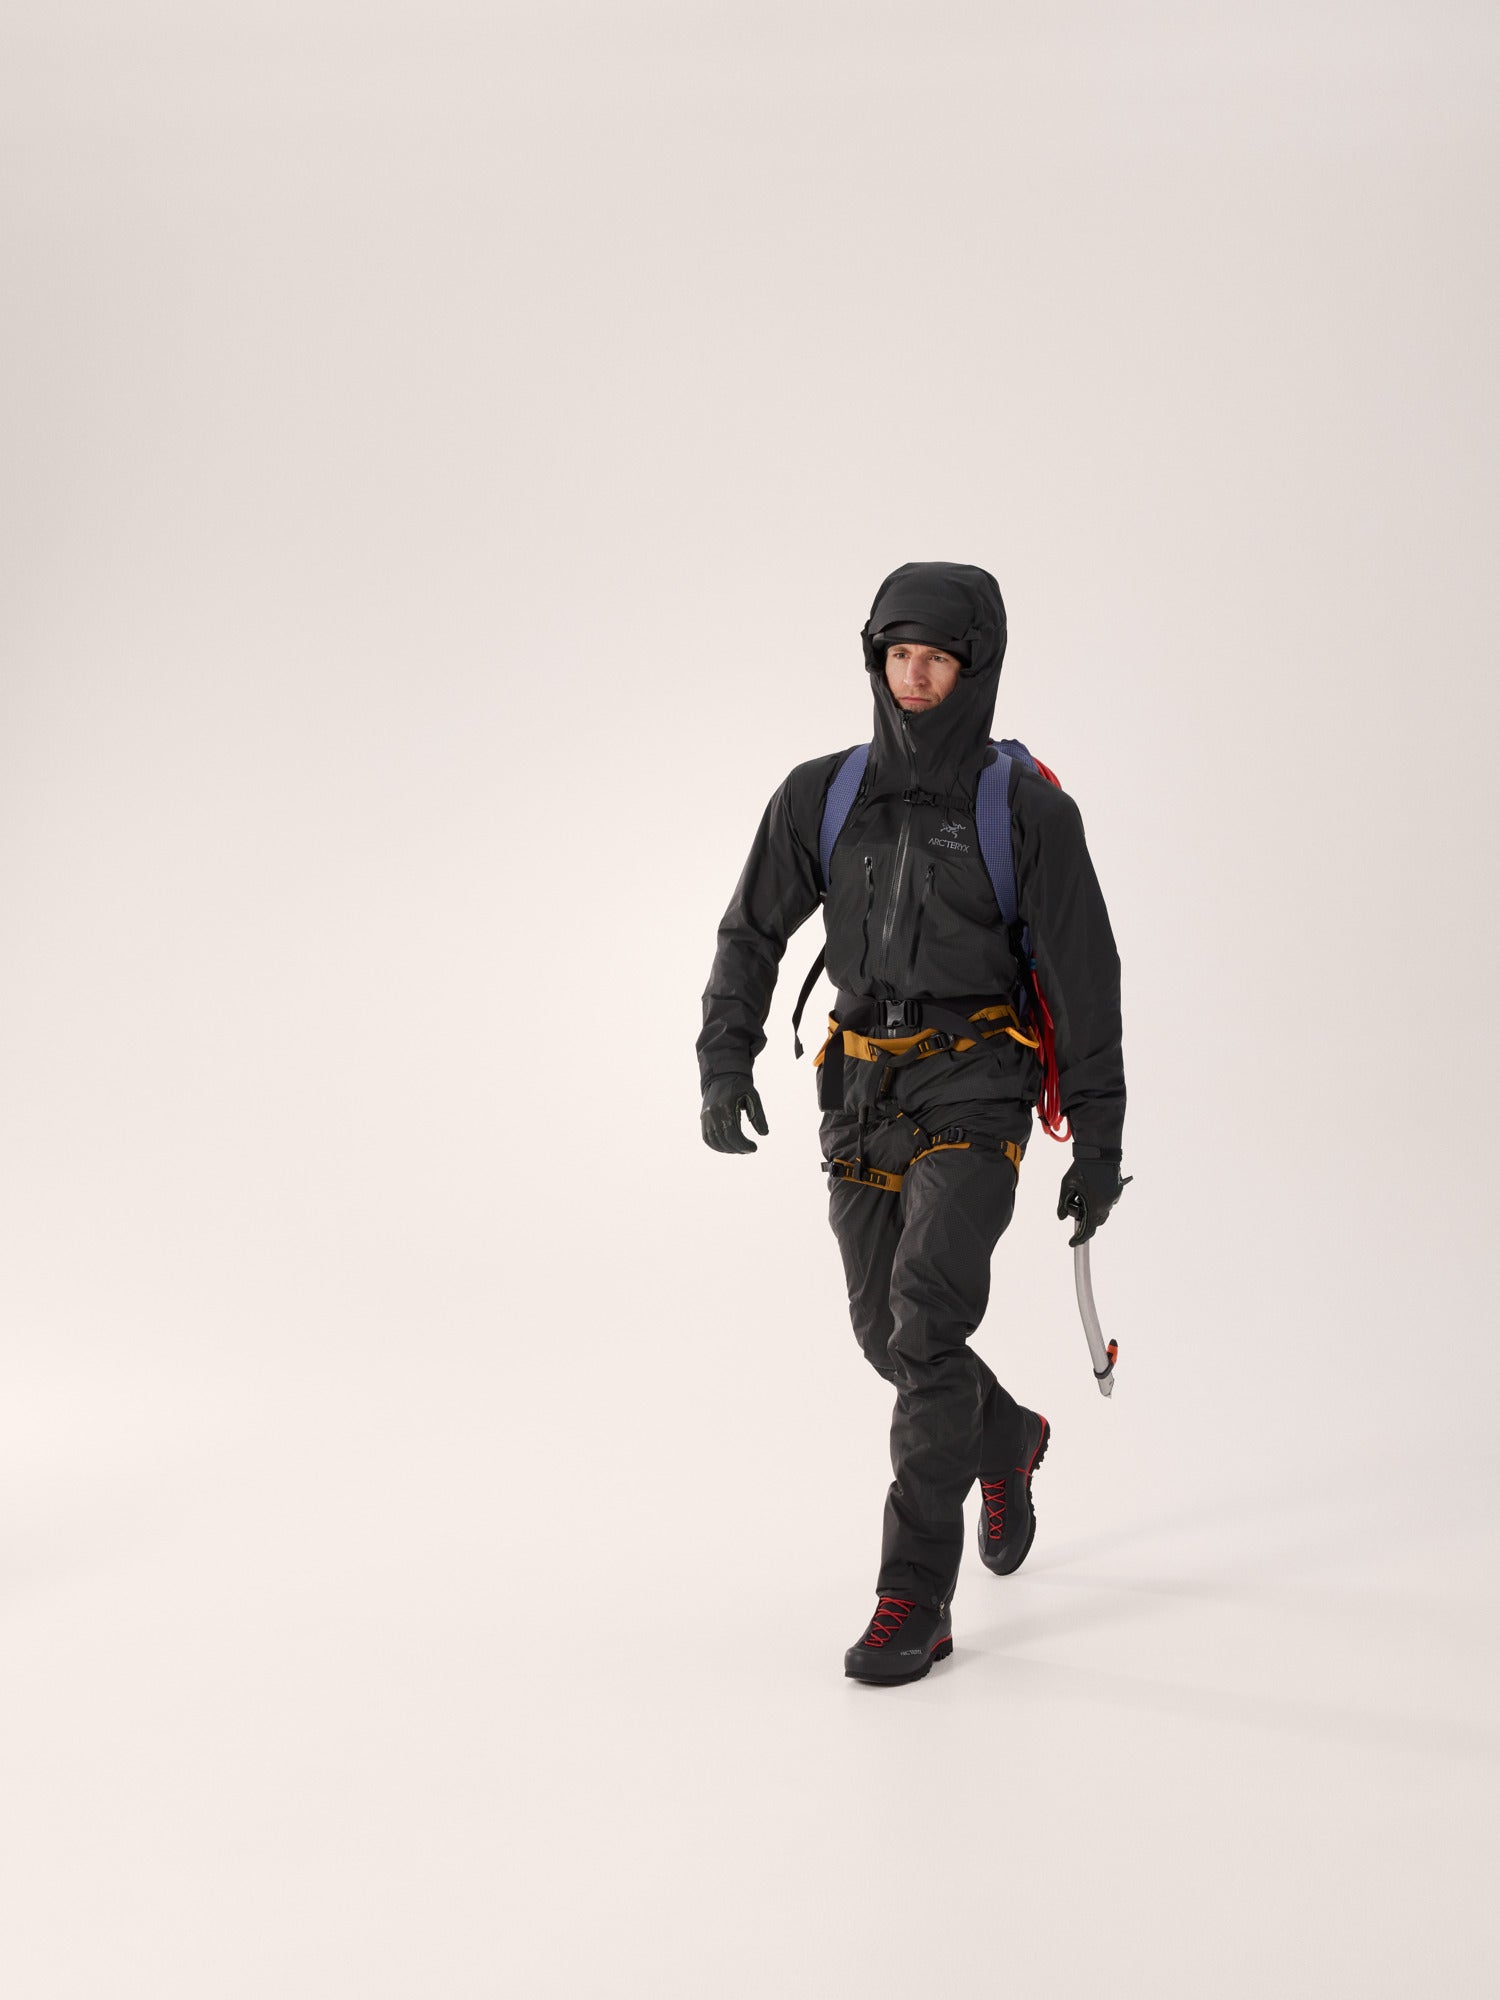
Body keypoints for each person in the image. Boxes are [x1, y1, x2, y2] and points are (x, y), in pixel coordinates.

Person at [698, 561, 1126, 1686]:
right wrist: (724, 1056)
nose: (916, 677)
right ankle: (1007, 1434)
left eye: (937, 657)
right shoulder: (822, 794)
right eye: (899, 655)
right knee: (885, 1337)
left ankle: (914, 1596)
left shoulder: (1026, 811)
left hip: (978, 1085)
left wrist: (1102, 1138)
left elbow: (1085, 980)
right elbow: (752, 931)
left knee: (927, 1323)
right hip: (859, 1090)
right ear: (874, 659)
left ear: (977, 666)